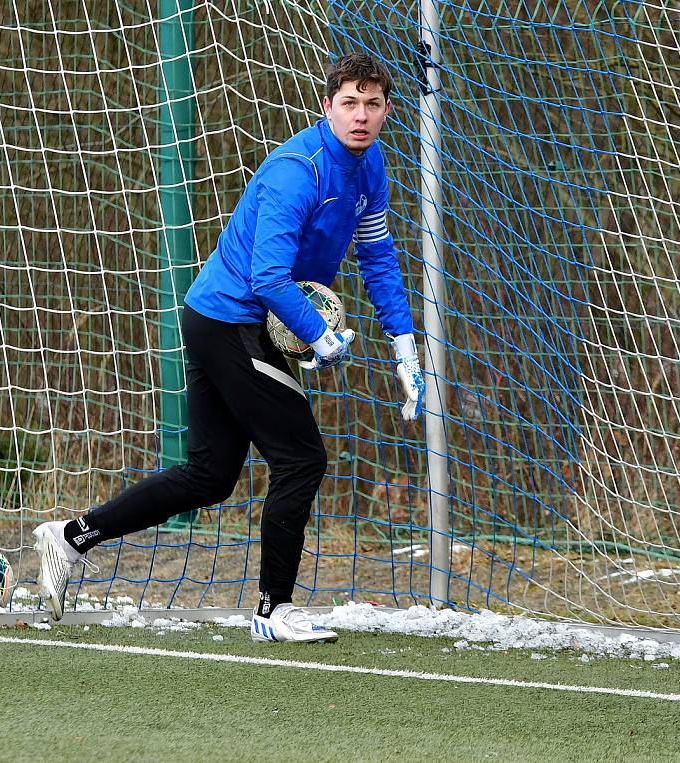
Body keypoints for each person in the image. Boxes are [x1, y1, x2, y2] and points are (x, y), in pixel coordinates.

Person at [33, 52, 425, 643]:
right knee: (301, 459)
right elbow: (268, 277)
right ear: (327, 106)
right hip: (229, 319)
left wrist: (404, 344)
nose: (361, 115)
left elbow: (377, 257)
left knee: (210, 475)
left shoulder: (370, 170)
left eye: (372, 104)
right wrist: (318, 336)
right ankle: (274, 610)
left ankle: (71, 537)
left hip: (228, 319)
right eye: (349, 103)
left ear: (387, 110)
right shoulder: (299, 170)